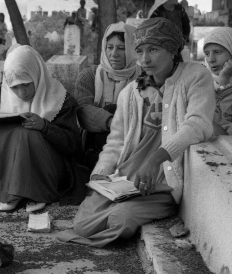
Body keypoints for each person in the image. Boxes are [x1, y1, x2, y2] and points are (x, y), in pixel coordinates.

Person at [58, 18, 215, 248]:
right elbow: (117, 140)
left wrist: (157, 158)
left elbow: (197, 124)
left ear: (172, 49)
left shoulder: (195, 76)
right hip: (126, 180)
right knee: (82, 223)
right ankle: (117, 208)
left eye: (153, 49)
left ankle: (131, 212)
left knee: (120, 220)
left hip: (161, 184)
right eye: (139, 51)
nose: (145, 59)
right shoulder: (132, 92)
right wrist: (102, 173)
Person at [0, 45, 86, 212]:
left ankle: (37, 193)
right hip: (14, 163)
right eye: (14, 87)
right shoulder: (2, 95)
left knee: (25, 133)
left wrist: (44, 126)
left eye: (26, 84)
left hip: (50, 169)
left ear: (36, 74)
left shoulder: (60, 98)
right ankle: (10, 190)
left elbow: (73, 145)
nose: (21, 92)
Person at [75, 22, 141, 169]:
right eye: (110, 47)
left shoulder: (144, 78)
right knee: (112, 109)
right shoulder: (89, 75)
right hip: (96, 141)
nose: (114, 54)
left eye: (121, 48)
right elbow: (83, 109)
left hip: (133, 139)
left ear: (132, 50)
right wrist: (113, 122)